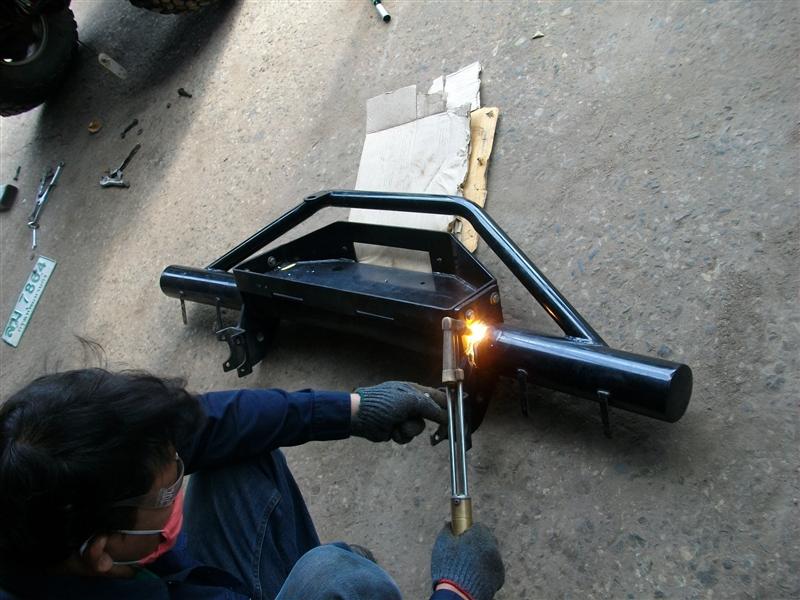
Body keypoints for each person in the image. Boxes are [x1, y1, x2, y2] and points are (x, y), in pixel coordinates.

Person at [0, 368, 505, 600]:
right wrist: (457, 591)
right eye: (167, 491)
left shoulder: (31, 491)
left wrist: (352, 410)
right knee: (336, 578)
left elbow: (210, 426)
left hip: (173, 582)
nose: (180, 472)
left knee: (237, 456)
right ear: (100, 551)